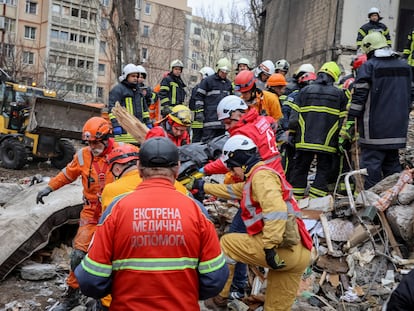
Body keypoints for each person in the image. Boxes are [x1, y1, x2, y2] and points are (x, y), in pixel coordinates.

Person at [75, 137, 229, 310]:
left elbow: (90, 279)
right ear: (177, 168)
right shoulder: (196, 210)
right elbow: (215, 278)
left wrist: (122, 289)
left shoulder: (116, 210)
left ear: (140, 169)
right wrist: (186, 292)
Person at [196, 135, 312, 310]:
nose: (231, 172)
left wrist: (269, 247)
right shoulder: (259, 176)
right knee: (276, 308)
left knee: (227, 243)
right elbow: (232, 190)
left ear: (240, 161)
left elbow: (275, 210)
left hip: (281, 250)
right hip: (300, 252)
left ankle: (220, 298)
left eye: (231, 167)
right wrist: (202, 186)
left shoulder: (261, 178)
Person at [35, 117, 120, 310]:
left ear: (107, 138)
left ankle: (107, 297)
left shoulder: (123, 153)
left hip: (115, 211)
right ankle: (72, 295)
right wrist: (49, 188)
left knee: (115, 255)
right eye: (89, 142)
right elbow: (67, 174)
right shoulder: (83, 156)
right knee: (78, 255)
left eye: (96, 142)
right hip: (91, 211)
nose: (92, 146)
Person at [347, 32, 413, 189]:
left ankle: (373, 204)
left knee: (371, 166)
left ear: (369, 49)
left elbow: (359, 98)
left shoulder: (369, 67)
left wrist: (351, 119)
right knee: (392, 164)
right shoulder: (405, 67)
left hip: (374, 129)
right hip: (398, 128)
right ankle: (393, 201)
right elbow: (411, 95)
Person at [289, 61, 348, 199]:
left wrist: (293, 133)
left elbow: (293, 118)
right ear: (334, 76)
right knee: (323, 170)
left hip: (304, 141)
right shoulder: (340, 95)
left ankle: (295, 201)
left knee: (300, 169)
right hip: (327, 143)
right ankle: (315, 203)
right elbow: (342, 121)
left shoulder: (304, 91)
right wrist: (339, 139)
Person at [108, 64, 151, 144]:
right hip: (124, 135)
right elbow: (112, 109)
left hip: (138, 135)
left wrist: (148, 123)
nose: (135, 78)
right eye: (133, 76)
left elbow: (144, 110)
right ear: (126, 76)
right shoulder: (118, 90)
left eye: (137, 76)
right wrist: (116, 125)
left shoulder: (138, 91)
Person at [193, 57, 233, 142]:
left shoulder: (228, 84)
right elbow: (199, 97)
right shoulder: (208, 81)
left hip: (223, 123)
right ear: (218, 69)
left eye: (226, 73)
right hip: (209, 120)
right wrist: (199, 112)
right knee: (207, 145)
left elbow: (231, 102)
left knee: (220, 145)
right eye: (222, 72)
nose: (224, 74)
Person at [189, 66, 215, 142]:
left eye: (201, 75)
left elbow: (192, 105)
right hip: (209, 122)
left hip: (197, 122)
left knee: (195, 143)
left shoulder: (197, 88)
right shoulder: (213, 89)